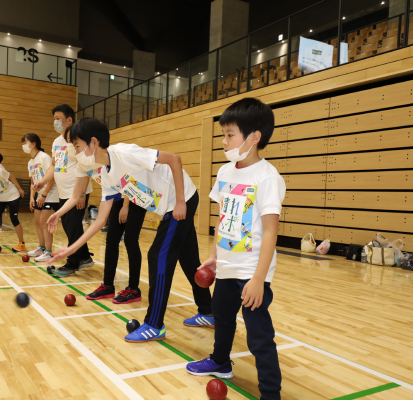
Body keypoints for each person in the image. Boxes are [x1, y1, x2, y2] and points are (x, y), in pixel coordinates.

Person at [45, 117, 212, 342]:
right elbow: (99, 219)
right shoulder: (106, 174)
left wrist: (181, 201)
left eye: (77, 146)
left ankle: (154, 324)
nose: (75, 153)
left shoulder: (123, 153)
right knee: (189, 259)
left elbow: (174, 159)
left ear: (93, 143)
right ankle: (209, 312)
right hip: (170, 206)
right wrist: (70, 249)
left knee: (158, 256)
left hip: (180, 201)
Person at [185, 98, 285, 400]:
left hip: (252, 270)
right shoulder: (226, 173)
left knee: (259, 337)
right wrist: (215, 256)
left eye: (231, 135)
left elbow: (270, 231)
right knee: (223, 316)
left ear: (254, 137)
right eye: (223, 135)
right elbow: (223, 218)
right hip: (227, 265)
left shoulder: (268, 178)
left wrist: (258, 278)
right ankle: (220, 361)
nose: (225, 141)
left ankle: (270, 392)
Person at [32, 104, 94, 277]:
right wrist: (42, 182)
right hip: (63, 192)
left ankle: (72, 263)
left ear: (69, 120)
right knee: (70, 227)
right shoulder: (56, 142)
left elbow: (86, 166)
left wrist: (82, 194)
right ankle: (84, 257)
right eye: (54, 119)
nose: (55, 122)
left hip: (77, 193)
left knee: (72, 226)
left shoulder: (78, 141)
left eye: (58, 118)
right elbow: (54, 165)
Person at [85, 193, 147, 304]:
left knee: (130, 241)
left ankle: (133, 289)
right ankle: (107, 286)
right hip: (119, 197)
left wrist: (125, 206)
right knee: (111, 241)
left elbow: (129, 179)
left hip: (136, 196)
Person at [22, 133, 60, 262]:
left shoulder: (44, 157)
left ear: (33, 144)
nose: (23, 146)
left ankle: (48, 252)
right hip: (40, 196)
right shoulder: (30, 162)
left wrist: (44, 194)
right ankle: (41, 247)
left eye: (25, 143)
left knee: (45, 223)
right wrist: (32, 197)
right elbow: (33, 181)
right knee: (37, 222)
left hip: (51, 195)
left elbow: (52, 177)